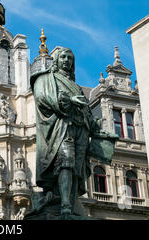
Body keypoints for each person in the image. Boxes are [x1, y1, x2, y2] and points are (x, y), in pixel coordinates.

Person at [30, 47, 116, 218]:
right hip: (62, 128)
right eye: (63, 57)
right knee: (66, 163)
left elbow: (86, 112)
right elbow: (42, 98)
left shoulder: (76, 86)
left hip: (80, 130)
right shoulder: (45, 78)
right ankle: (65, 207)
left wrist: (99, 131)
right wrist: (69, 100)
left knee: (77, 169)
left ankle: (72, 203)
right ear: (55, 60)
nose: (67, 60)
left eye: (70, 58)